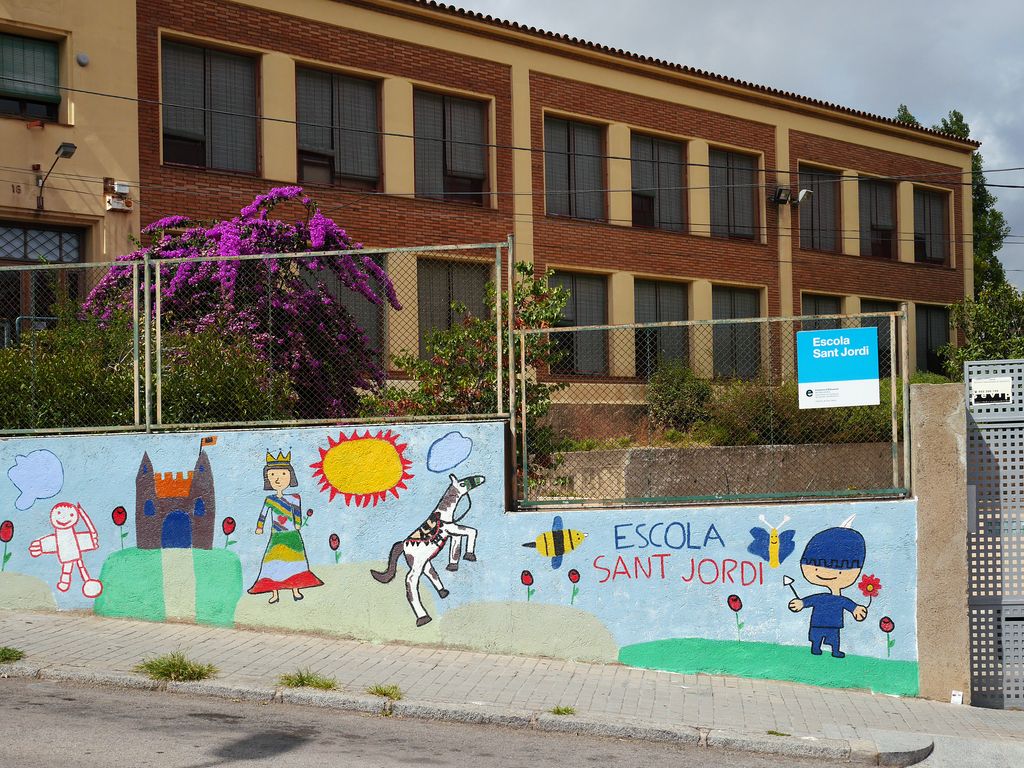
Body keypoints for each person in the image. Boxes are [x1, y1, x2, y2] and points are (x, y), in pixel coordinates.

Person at [248, 451, 323, 603]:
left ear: (290, 476)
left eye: (283, 474)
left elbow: (297, 512)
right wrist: (259, 527)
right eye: (273, 475)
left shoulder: (295, 498)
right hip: (276, 535)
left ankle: (296, 589)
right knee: (272, 563)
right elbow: (263, 514)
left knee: (296, 563)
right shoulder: (270, 499)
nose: (278, 479)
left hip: (292, 534)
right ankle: (274, 593)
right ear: (267, 478)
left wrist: (297, 522)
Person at [787, 526, 868, 658]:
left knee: (834, 639)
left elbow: (848, 604)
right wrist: (801, 603)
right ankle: (816, 648)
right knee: (816, 637)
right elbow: (811, 601)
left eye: (840, 571)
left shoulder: (839, 599)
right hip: (818, 623)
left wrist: (856, 609)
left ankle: (835, 651)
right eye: (816, 568)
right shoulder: (821, 597)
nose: (825, 573)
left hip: (834, 624)